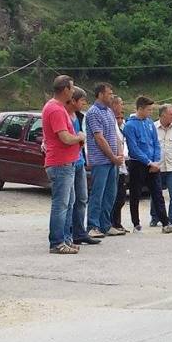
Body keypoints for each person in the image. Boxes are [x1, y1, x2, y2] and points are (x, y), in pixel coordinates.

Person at [123, 96, 172, 234]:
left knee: (157, 193)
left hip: (153, 163)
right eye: (148, 109)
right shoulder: (130, 125)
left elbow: (156, 143)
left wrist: (155, 161)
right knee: (135, 194)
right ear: (140, 109)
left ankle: (165, 223)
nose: (150, 112)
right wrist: (147, 161)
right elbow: (133, 148)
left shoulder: (149, 123)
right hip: (138, 163)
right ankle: (136, 223)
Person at [42, 75, 85, 254]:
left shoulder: (56, 107)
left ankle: (66, 239)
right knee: (61, 204)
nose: (74, 91)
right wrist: (80, 137)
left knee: (70, 201)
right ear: (66, 89)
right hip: (60, 163)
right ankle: (57, 242)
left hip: (67, 162)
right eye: (72, 88)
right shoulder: (56, 110)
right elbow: (65, 137)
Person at [86, 82, 123, 238]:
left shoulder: (109, 111)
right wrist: (112, 156)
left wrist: (119, 153)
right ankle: (93, 225)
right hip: (101, 160)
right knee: (98, 194)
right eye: (109, 93)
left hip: (112, 161)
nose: (111, 95)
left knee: (110, 194)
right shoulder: (93, 112)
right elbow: (99, 138)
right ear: (100, 94)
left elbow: (115, 134)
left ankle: (105, 224)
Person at [65, 86, 100, 246]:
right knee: (68, 200)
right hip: (68, 161)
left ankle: (80, 232)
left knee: (82, 198)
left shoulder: (79, 116)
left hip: (79, 160)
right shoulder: (64, 115)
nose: (84, 104)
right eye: (82, 101)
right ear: (73, 100)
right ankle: (68, 232)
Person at [152, 104, 172, 227]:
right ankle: (155, 217)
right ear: (163, 115)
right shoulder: (153, 127)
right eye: (171, 114)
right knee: (156, 193)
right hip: (158, 166)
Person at [110, 96, 130, 234]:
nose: (120, 120)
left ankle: (117, 222)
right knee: (114, 197)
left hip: (123, 165)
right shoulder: (111, 125)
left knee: (121, 197)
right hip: (114, 163)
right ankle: (112, 223)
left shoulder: (124, 128)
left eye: (121, 118)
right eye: (121, 104)